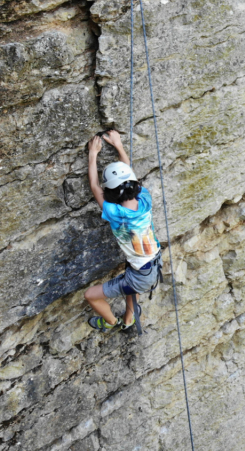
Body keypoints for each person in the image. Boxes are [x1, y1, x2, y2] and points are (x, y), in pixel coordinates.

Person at [84, 130, 162, 335]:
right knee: (132, 286)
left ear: (111, 194)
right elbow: (130, 174)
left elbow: (94, 186)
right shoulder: (145, 199)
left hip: (140, 274)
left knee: (90, 295)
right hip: (152, 263)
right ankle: (129, 320)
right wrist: (118, 145)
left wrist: (93, 154)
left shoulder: (115, 212)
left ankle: (110, 322)